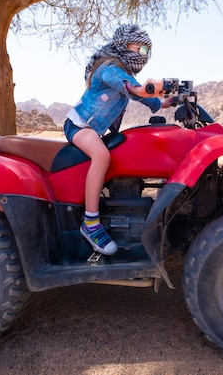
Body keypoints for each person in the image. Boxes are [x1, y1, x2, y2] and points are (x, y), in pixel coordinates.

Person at [63, 24, 173, 255]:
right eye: (141, 50)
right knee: (101, 155)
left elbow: (147, 99)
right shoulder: (110, 69)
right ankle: (90, 223)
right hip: (78, 125)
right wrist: (148, 88)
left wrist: (170, 101)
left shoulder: (125, 74)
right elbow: (132, 89)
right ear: (124, 47)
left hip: (93, 129)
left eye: (148, 52)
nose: (144, 56)